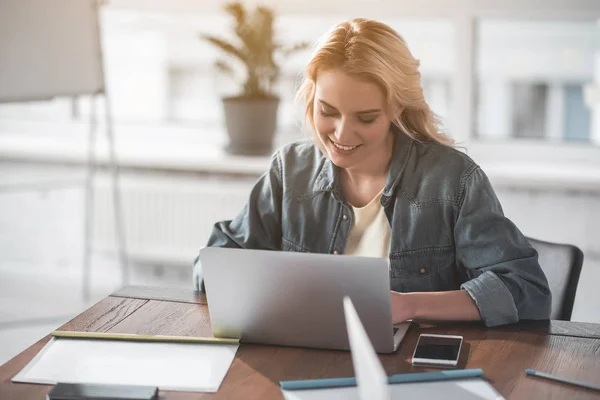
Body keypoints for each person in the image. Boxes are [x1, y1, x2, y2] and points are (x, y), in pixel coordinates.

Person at [193, 18, 551, 327]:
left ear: (397, 107)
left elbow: (525, 289)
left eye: (366, 118)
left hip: (410, 368)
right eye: (327, 110)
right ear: (311, 95)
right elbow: (215, 261)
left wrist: (408, 305)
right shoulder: (289, 170)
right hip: (302, 356)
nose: (342, 135)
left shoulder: (452, 180)